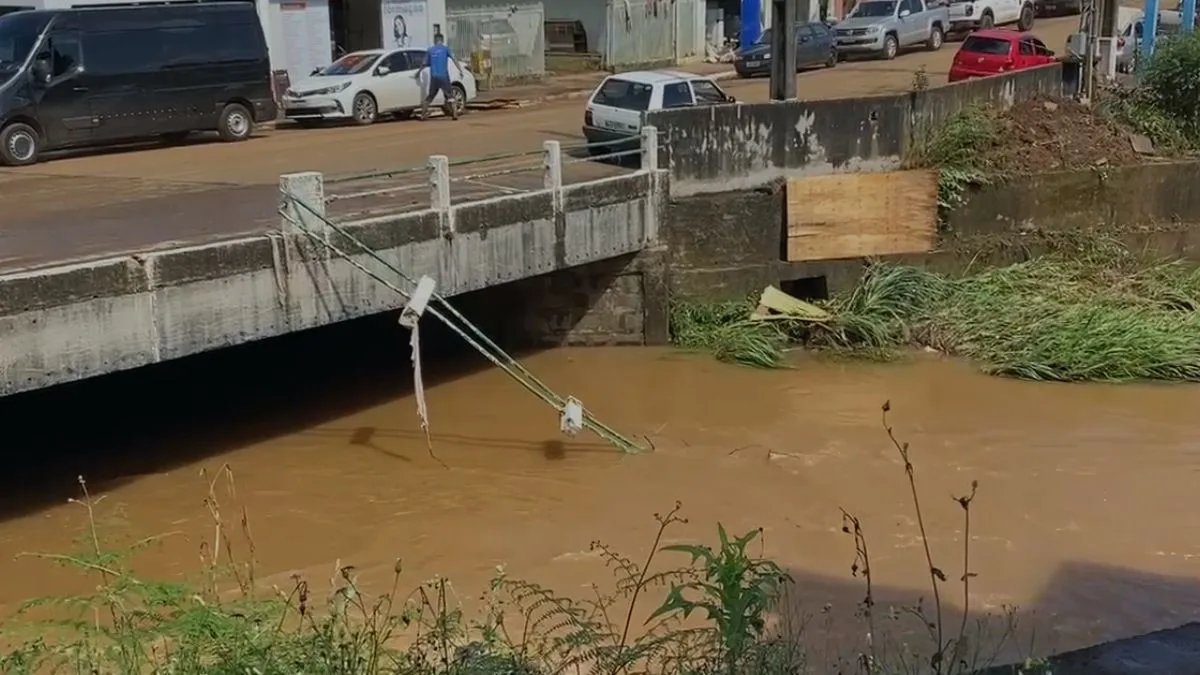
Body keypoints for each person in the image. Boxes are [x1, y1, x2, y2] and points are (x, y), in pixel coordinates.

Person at [415, 33, 461, 121]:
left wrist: (418, 72)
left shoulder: (430, 50)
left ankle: (423, 115)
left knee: (430, 96)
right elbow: (454, 59)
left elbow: (424, 63)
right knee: (450, 95)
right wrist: (460, 70)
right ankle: (455, 114)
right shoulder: (446, 49)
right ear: (442, 40)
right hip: (444, 76)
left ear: (435, 40)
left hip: (434, 76)